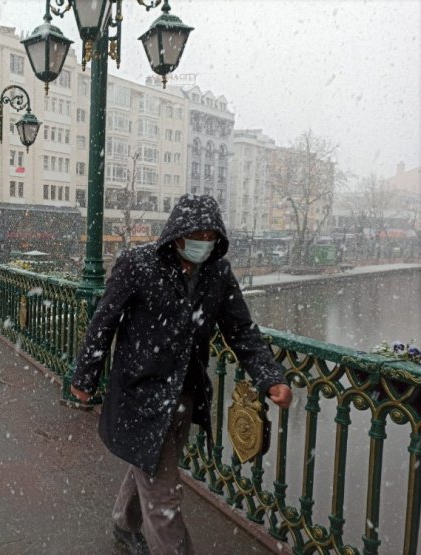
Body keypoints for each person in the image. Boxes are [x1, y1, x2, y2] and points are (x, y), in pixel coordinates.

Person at [70, 194, 292, 555]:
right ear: (176, 234)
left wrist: (270, 377)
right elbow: (103, 321)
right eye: (196, 234)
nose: (202, 243)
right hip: (140, 394)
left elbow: (242, 331)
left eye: (210, 236)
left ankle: (124, 524)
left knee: (149, 462)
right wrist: (85, 378)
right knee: (164, 497)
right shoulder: (138, 264)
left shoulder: (218, 274)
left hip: (185, 394)